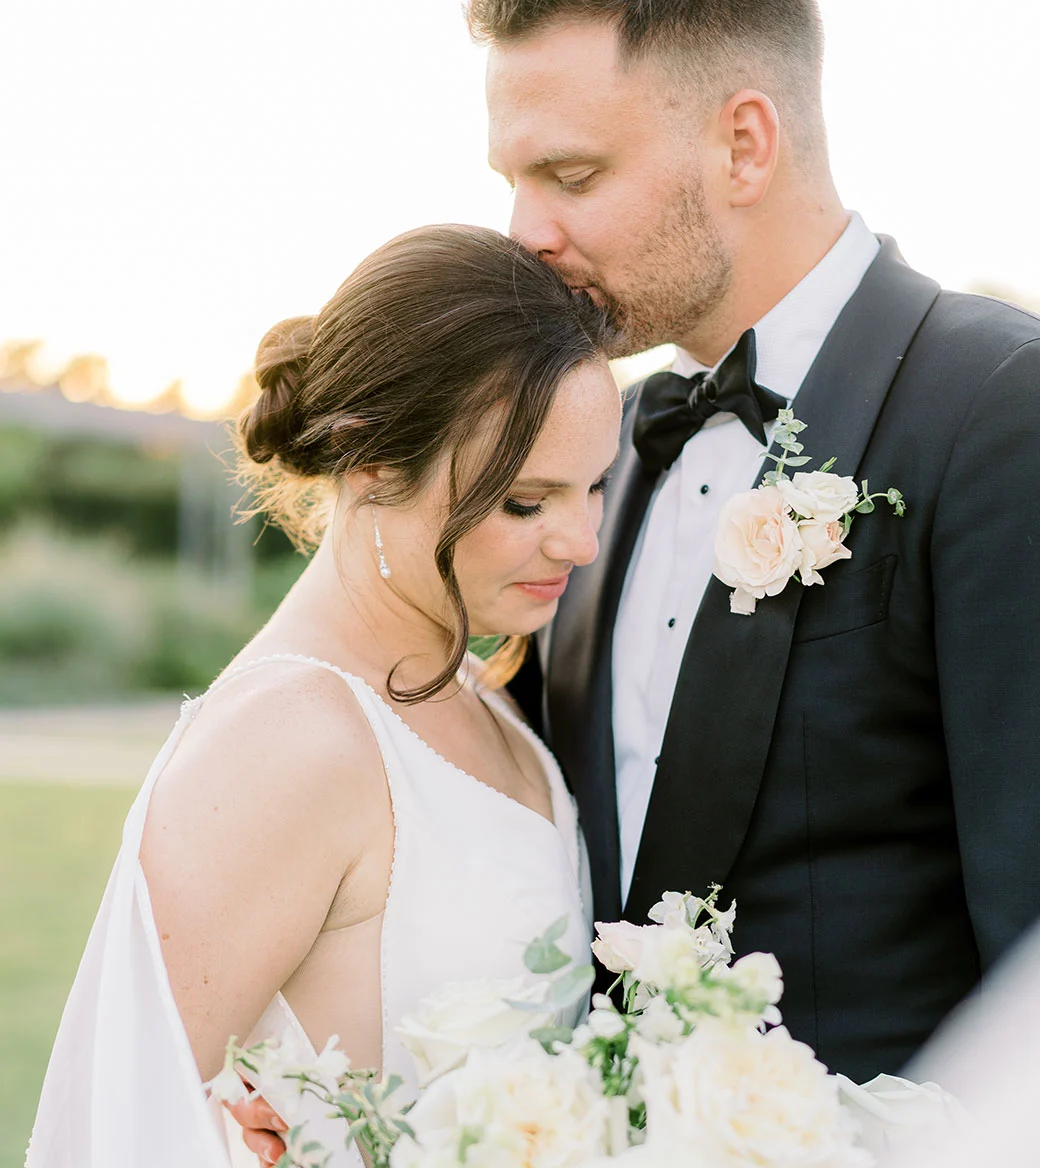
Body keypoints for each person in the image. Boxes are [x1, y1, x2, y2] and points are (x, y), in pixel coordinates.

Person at [470, 0, 1040, 1081]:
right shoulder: (610, 446)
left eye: (571, 176)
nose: (524, 231)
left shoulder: (1001, 409)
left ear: (743, 144)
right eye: (513, 180)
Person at [25, 223, 621, 1168]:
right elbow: (122, 1124)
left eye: (594, 488)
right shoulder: (292, 737)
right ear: (373, 460)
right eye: (525, 502)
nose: (581, 542)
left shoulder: (479, 687)